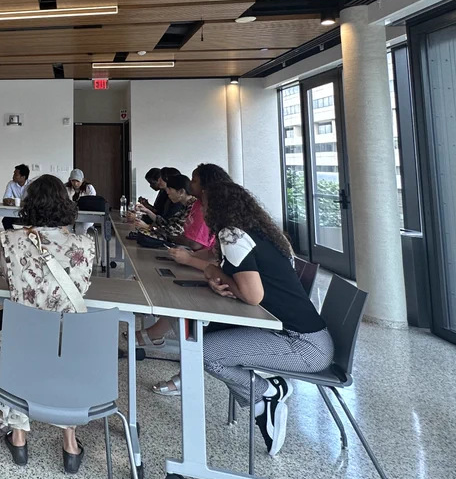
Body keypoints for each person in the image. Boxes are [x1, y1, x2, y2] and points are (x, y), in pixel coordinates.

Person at [199, 182, 332, 456]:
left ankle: (265, 393)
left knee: (202, 352)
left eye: (204, 200)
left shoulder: (232, 235)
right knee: (208, 335)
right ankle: (264, 397)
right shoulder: (257, 232)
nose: (201, 206)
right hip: (297, 335)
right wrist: (218, 277)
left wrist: (215, 272)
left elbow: (252, 295)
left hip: (303, 346)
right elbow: (248, 288)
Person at [0, 174, 94, 472]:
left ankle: (18, 437)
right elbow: (83, 289)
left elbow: (10, 282)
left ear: (29, 205)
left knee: (15, 339)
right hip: (66, 342)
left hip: (23, 341)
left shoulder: (11, 240)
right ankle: (69, 444)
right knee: (65, 351)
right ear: (65, 205)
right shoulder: (85, 244)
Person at [140, 163, 235, 358]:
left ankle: (167, 341)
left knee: (182, 293)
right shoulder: (200, 208)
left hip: (226, 288)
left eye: (194, 180)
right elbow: (211, 252)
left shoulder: (224, 226)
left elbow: (198, 246)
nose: (191, 185)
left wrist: (191, 259)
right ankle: (156, 332)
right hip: (211, 271)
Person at [1, 164, 30, 231]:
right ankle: (12, 237)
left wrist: (16, 202)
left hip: (29, 213)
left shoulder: (31, 184)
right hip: (16, 212)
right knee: (5, 220)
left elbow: (30, 203)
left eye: (16, 175)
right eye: (13, 174)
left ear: (23, 177)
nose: (13, 176)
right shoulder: (11, 183)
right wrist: (7, 201)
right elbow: (5, 198)